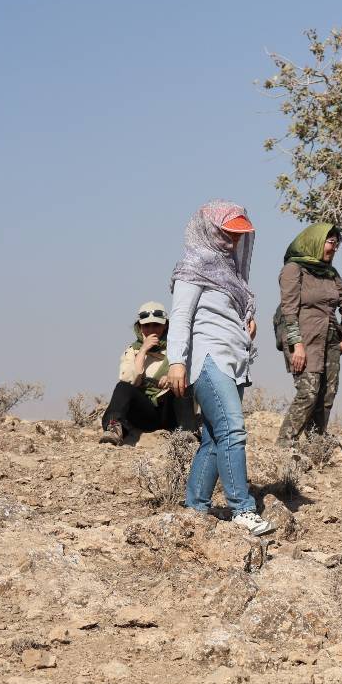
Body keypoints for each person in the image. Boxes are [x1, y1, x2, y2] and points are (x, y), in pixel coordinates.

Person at [168, 200, 275, 536]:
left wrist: (246, 321)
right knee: (233, 429)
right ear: (210, 230)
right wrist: (176, 362)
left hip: (233, 359)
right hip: (208, 357)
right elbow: (181, 317)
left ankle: (195, 509)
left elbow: (225, 311)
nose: (235, 239)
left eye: (239, 234)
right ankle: (242, 508)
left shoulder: (228, 271)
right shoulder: (194, 265)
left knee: (215, 438)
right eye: (228, 232)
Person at [274, 222, 342, 446]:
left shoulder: (330, 273)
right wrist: (297, 345)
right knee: (308, 392)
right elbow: (289, 309)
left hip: (330, 339)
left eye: (337, 244)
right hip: (304, 339)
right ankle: (284, 444)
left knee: (327, 394)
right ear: (316, 242)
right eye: (330, 243)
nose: (334, 249)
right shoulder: (293, 269)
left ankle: (315, 444)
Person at [99, 301, 197, 445]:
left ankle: (188, 432)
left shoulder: (178, 349)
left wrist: (172, 379)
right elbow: (128, 380)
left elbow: (193, 376)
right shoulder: (132, 351)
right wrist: (143, 350)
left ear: (166, 325)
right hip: (145, 413)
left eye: (156, 325)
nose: (151, 330)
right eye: (146, 325)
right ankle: (114, 428)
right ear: (139, 327)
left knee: (182, 386)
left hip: (172, 412)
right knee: (122, 387)